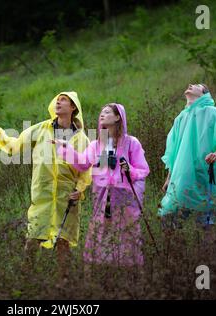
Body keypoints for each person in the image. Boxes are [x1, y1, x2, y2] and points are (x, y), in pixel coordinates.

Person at [0, 92, 92, 282]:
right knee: (32, 240)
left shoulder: (81, 139)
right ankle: (25, 280)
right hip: (42, 196)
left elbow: (86, 168)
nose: (58, 102)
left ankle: (65, 284)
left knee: (63, 243)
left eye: (64, 101)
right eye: (57, 100)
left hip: (66, 197)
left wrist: (80, 189)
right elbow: (14, 145)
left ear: (73, 108)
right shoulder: (41, 129)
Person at [52, 103, 149, 271]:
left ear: (118, 117)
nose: (102, 115)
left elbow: (143, 170)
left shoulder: (131, 143)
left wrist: (129, 170)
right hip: (103, 196)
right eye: (101, 112)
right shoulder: (97, 145)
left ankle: (130, 269)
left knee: (127, 231)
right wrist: (65, 147)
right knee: (100, 230)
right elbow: (83, 163)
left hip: (124, 196)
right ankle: (97, 270)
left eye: (107, 112)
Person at [159, 84, 216, 233]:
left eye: (196, 85)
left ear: (204, 94)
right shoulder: (181, 118)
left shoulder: (212, 112)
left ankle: (208, 255)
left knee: (205, 222)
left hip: (205, 174)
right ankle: (175, 253)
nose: (190, 85)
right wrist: (169, 178)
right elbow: (175, 152)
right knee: (169, 217)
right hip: (184, 176)